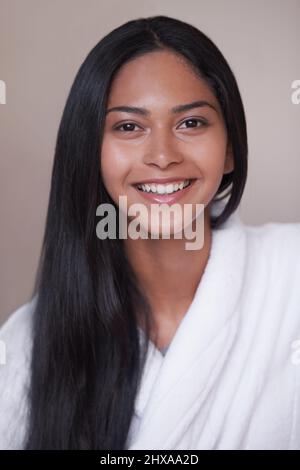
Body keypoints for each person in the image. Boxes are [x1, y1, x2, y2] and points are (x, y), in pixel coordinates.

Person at [0, 15, 300, 450]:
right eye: (128, 127)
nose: (162, 156)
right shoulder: (23, 346)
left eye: (191, 123)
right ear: (91, 152)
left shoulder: (293, 276)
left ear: (231, 148)